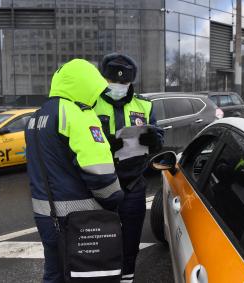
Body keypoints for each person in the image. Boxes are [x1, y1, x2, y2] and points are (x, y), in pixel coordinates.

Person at [25, 59, 124, 283]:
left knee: (54, 274)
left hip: (45, 216)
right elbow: (100, 173)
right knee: (83, 276)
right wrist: (116, 199)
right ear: (85, 84)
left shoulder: (36, 117)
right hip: (78, 220)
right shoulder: (78, 114)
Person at [94, 53, 164, 283]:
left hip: (133, 183)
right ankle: (105, 276)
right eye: (114, 81)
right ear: (104, 78)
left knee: (132, 236)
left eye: (124, 82)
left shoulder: (144, 104)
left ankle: (127, 277)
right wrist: (107, 144)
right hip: (101, 183)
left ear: (131, 81)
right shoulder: (91, 103)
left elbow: (159, 136)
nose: (119, 86)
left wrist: (153, 139)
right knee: (102, 236)